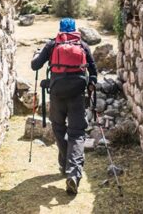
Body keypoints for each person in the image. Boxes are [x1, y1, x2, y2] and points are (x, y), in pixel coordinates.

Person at [31, 17, 97, 195]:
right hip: (76, 96)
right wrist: (91, 81)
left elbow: (34, 65)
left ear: (60, 30)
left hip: (57, 95)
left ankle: (64, 165)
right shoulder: (82, 45)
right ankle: (73, 173)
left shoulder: (52, 45)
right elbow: (93, 70)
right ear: (75, 30)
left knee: (59, 129)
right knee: (77, 133)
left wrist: (36, 55)